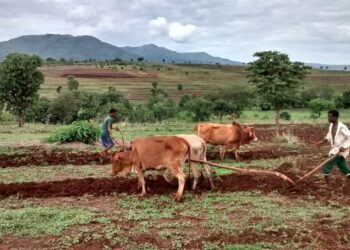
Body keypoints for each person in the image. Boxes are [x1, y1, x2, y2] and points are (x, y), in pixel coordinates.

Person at [316, 109, 350, 184]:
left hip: (340, 150)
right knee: (343, 166)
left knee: (327, 165)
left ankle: (327, 184)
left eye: (330, 117)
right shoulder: (331, 125)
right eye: (328, 117)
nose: (328, 118)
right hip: (335, 149)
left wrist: (344, 147)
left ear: (335, 117)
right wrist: (321, 142)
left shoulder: (342, 127)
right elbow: (329, 135)